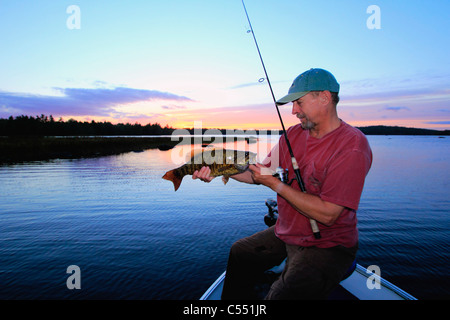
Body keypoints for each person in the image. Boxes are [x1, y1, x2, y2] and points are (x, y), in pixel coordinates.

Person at [193, 68, 373, 299]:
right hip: (288, 232)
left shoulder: (352, 147)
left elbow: (329, 214)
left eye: (299, 102)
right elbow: (259, 174)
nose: (294, 111)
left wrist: (276, 186)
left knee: (278, 296)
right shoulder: (293, 135)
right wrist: (218, 169)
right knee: (240, 252)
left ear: (325, 98)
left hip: (329, 244)